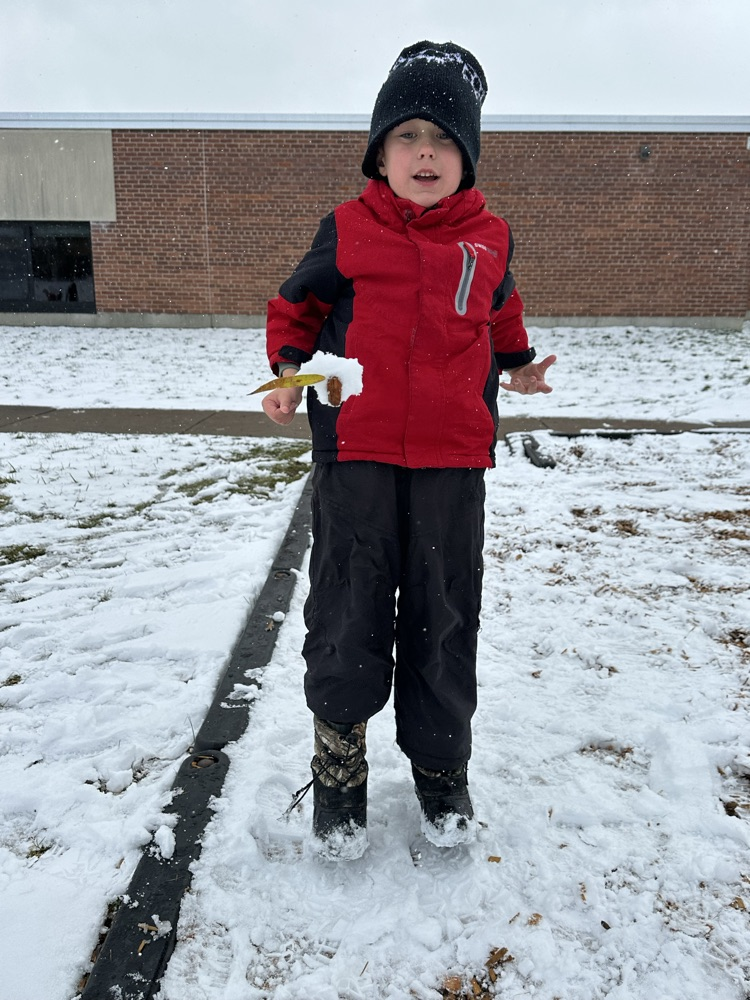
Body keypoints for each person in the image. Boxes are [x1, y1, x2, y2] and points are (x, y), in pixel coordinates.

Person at [262, 40, 556, 860]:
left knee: (443, 613)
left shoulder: (490, 239)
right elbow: (294, 308)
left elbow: (500, 319)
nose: (425, 153)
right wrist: (287, 375)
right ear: (380, 153)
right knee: (350, 609)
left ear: (466, 157)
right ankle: (339, 767)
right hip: (355, 455)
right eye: (407, 136)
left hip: (452, 464)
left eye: (443, 139)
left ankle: (440, 767)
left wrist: (518, 366)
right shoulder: (348, 229)